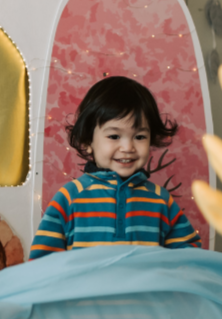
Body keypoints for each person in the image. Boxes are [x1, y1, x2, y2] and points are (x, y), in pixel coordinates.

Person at [30, 76, 201, 256]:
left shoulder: (161, 200)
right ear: (88, 141)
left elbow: (189, 257)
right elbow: (43, 266)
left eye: (139, 137)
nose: (128, 148)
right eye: (114, 136)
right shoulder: (69, 198)